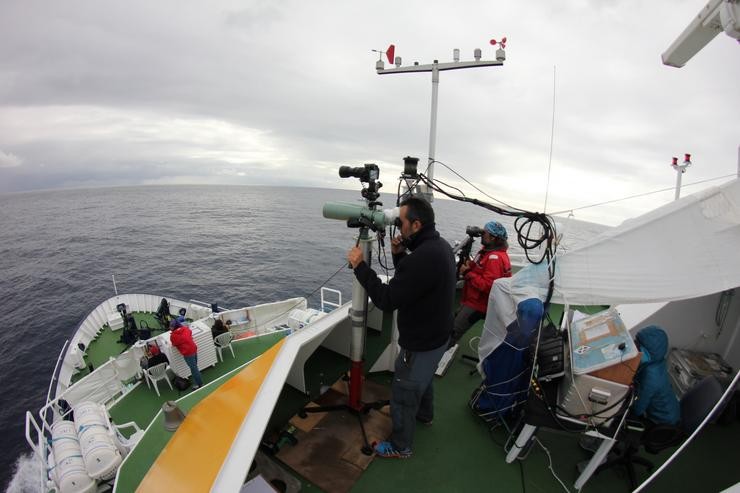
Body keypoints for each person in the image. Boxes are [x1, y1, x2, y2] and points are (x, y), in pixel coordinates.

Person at [347, 196, 456, 459]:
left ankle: (400, 446)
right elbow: (415, 283)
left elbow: (387, 300)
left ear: (416, 225)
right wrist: (399, 255)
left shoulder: (421, 258)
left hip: (420, 343)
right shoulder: (439, 247)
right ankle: (425, 415)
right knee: (424, 380)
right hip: (438, 338)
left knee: (403, 393)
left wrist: (360, 266)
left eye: (402, 222)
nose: (399, 226)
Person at [449, 220, 512, 348]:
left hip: (478, 305)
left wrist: (467, 273)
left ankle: (435, 356)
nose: (482, 234)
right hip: (471, 300)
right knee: (451, 324)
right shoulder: (486, 251)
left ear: (493, 238)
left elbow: (489, 286)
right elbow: (475, 266)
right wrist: (467, 266)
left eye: (485, 233)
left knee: (453, 332)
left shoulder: (495, 258)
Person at [632, 325, 680, 425]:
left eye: (638, 347)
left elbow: (637, 410)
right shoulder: (657, 362)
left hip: (664, 422)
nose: (635, 349)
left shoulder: (652, 377)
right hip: (671, 411)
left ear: (649, 353)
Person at [169, 319, 204, 390]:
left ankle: (200, 384)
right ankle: (198, 377)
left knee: (194, 369)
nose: (170, 328)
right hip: (194, 348)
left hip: (187, 353)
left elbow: (174, 344)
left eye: (171, 326)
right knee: (195, 367)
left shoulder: (173, 336)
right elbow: (190, 332)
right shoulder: (185, 329)